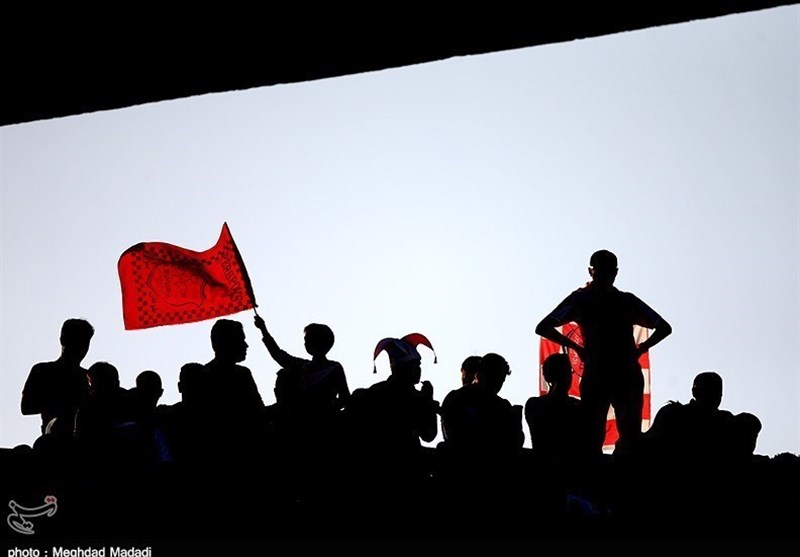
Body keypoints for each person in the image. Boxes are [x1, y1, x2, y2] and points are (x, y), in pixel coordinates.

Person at [535, 249, 672, 457]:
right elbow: (663, 327)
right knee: (620, 435)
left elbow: (544, 327)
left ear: (592, 271)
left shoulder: (582, 300)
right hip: (620, 372)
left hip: (602, 371)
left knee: (597, 435)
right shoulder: (621, 301)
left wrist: (577, 348)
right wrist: (640, 349)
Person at [21, 318, 95, 438]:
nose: (81, 348)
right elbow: (27, 407)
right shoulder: (42, 370)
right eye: (76, 341)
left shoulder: (90, 377)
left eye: (85, 343)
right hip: (54, 437)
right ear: (63, 340)